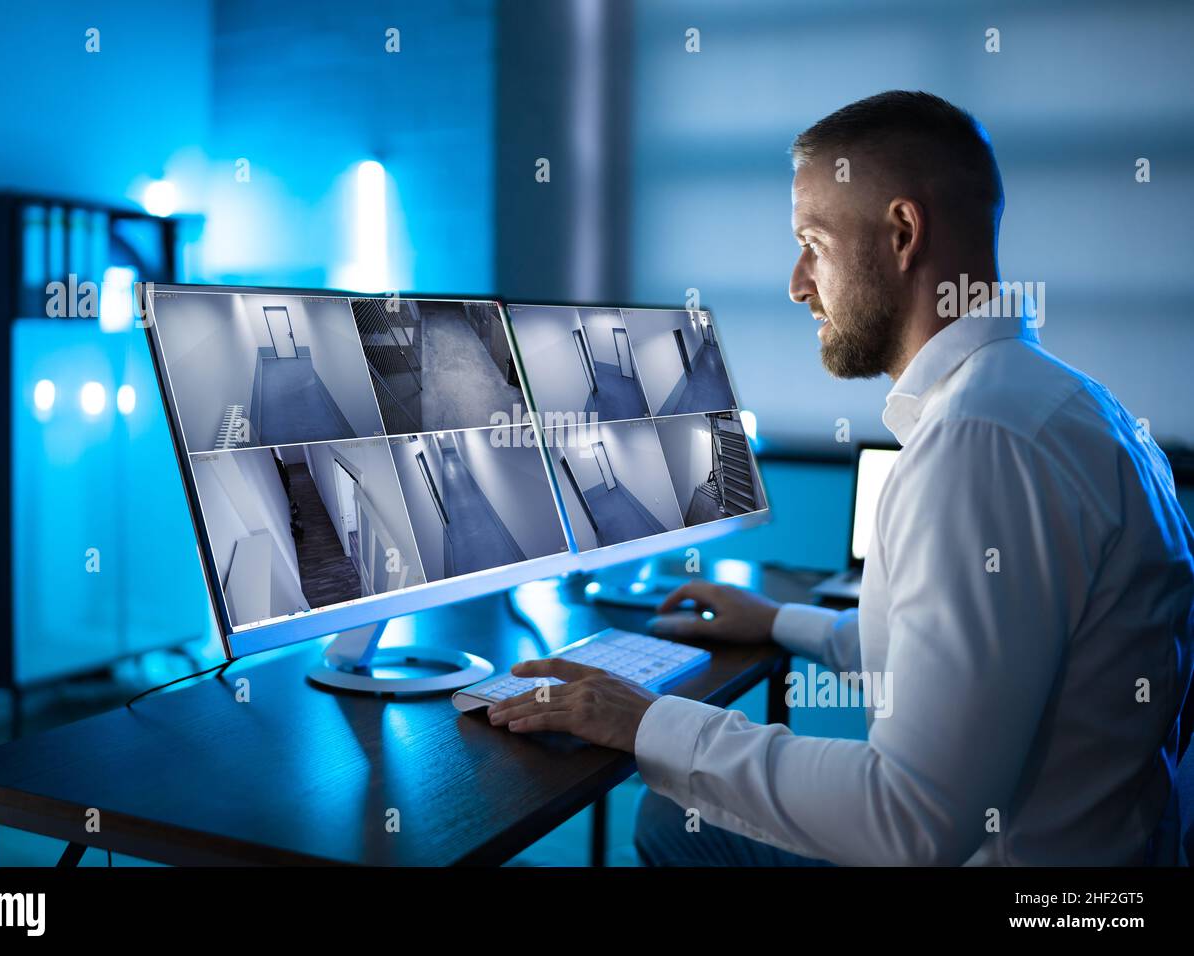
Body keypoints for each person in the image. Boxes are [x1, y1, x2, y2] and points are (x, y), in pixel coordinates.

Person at [486, 90, 1194, 865]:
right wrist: (784, 623)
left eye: (813, 243)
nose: (797, 283)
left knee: (670, 822)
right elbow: (969, 667)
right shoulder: (1066, 403)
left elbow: (911, 818)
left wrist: (643, 721)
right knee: (670, 818)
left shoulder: (977, 443)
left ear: (902, 234)